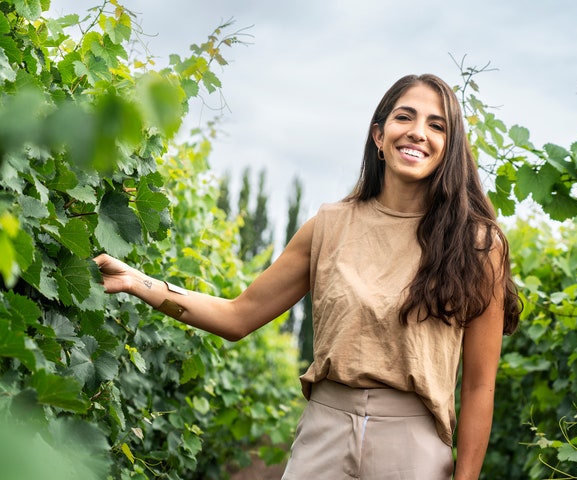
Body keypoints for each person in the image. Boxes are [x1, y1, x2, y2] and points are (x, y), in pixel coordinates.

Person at [95, 73, 520, 480]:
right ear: (379, 136)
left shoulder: (478, 246)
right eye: (404, 117)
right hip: (325, 435)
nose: (417, 132)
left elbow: (480, 386)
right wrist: (140, 283)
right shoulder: (329, 225)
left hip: (414, 449)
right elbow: (237, 316)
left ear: (450, 146)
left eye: (437, 125)